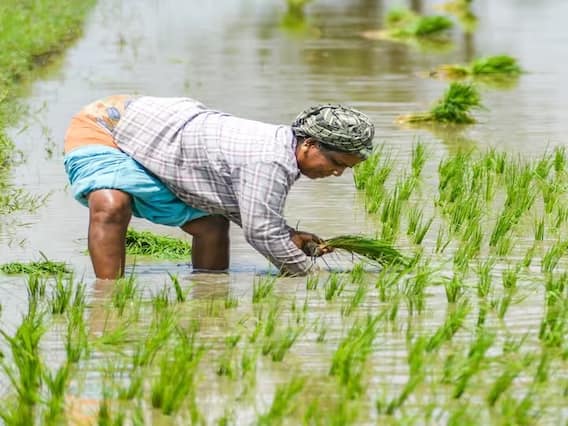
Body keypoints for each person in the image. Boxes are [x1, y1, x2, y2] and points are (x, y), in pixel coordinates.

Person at [63, 95, 375, 279]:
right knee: (112, 204)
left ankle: (208, 296)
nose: (337, 173)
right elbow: (262, 233)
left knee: (212, 225)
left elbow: (252, 215)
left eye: (345, 169)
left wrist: (288, 235)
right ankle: (108, 299)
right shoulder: (270, 160)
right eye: (337, 163)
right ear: (309, 144)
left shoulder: (282, 155)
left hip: (163, 143)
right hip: (107, 125)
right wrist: (312, 276)